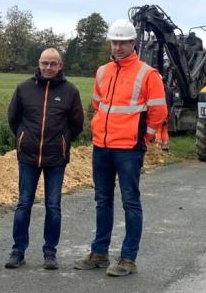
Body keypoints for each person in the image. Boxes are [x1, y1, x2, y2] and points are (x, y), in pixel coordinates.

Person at [73, 19, 167, 277]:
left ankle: (128, 258)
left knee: (130, 202)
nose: (118, 46)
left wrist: (144, 137)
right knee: (102, 201)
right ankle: (99, 253)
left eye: (123, 42)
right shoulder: (103, 71)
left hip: (128, 148)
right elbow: (97, 103)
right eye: (114, 42)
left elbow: (159, 111)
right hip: (102, 146)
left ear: (133, 43)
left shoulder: (147, 74)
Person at [5, 48, 84, 270]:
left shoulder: (70, 91)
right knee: (23, 204)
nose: (48, 67)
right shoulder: (24, 88)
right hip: (28, 157)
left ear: (60, 66)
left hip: (56, 158)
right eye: (44, 63)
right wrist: (23, 139)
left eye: (53, 63)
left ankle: (50, 252)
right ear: (38, 64)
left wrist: (63, 141)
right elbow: (13, 119)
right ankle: (17, 251)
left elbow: (76, 124)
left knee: (53, 205)